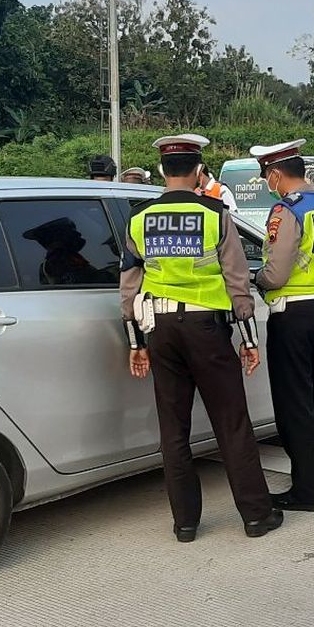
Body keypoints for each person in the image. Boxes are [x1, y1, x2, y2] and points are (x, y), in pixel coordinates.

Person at [120, 134, 282, 542]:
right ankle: (256, 516)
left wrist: (135, 342)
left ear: (161, 171)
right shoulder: (215, 214)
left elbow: (128, 285)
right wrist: (248, 337)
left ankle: (185, 523)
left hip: (159, 331)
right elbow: (237, 280)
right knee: (231, 422)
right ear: (198, 172)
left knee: (172, 428)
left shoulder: (140, 217)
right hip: (206, 329)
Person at [251, 139, 314, 512]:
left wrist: (255, 279)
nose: (267, 184)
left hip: (293, 317)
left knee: (295, 406)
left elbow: (275, 274)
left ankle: (306, 492)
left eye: (267, 178)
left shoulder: (286, 211)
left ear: (276, 173)